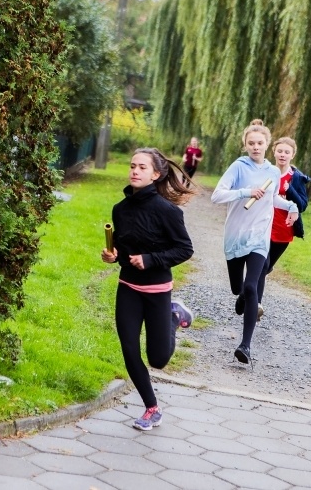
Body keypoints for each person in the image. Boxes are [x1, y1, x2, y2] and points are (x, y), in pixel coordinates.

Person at [101, 148, 196, 431]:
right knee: (129, 349)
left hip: (157, 289)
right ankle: (151, 408)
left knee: (158, 359)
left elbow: (184, 249)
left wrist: (151, 260)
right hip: (128, 287)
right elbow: (121, 246)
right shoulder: (120, 209)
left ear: (155, 174)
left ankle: (173, 316)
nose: (134, 171)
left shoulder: (168, 211)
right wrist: (112, 255)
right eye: (132, 166)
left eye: (142, 167)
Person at [211, 120, 298, 366]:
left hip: (259, 237)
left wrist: (291, 206)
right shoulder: (238, 167)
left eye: (260, 143)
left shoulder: (272, 171)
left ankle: (245, 346)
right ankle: (242, 297)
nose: (256, 147)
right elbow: (217, 195)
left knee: (252, 287)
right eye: (251, 143)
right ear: (245, 145)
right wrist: (245, 192)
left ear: (267, 144)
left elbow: (273, 199)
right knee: (238, 289)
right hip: (236, 235)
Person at [266, 136, 311, 275]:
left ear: (292, 155)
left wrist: (289, 190)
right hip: (262, 226)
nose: (282, 155)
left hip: (283, 230)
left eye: (286, 152)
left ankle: (245, 296)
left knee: (265, 268)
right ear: (274, 152)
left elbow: (302, 206)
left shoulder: (297, 178)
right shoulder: (265, 172)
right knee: (258, 267)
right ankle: (246, 296)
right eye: (280, 151)